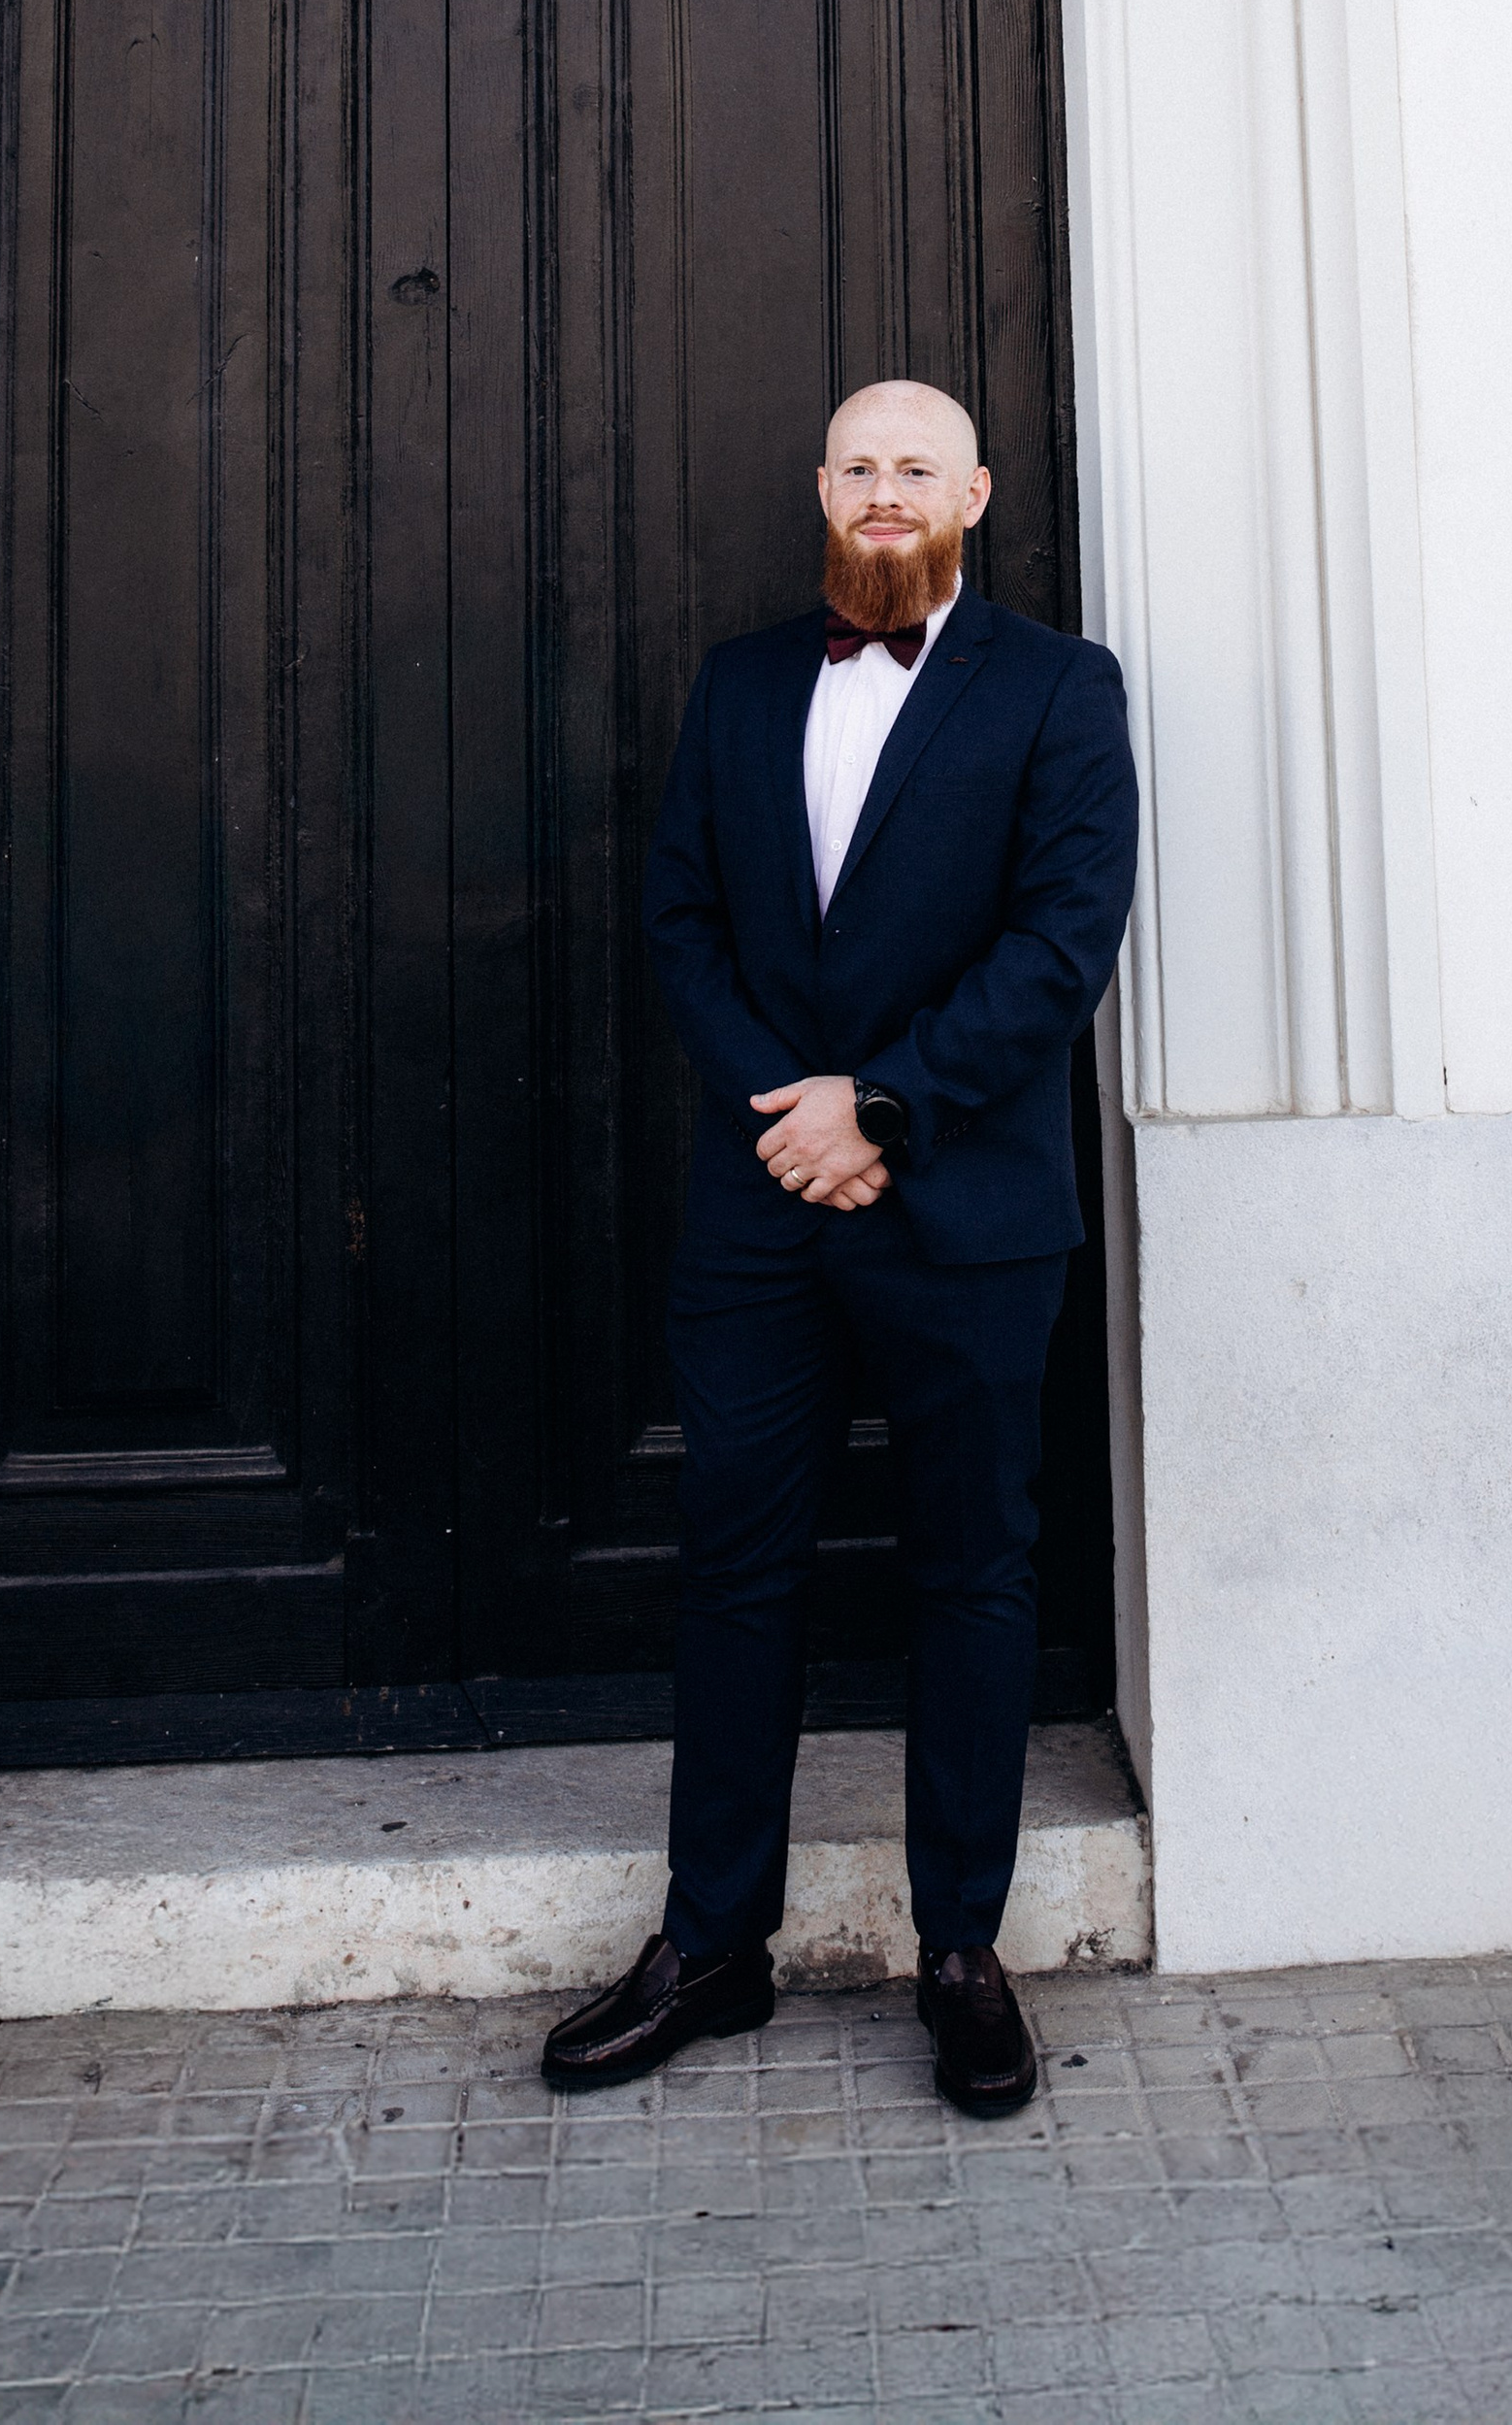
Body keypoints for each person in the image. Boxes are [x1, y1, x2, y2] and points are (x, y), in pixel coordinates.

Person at [540, 381, 1138, 2115]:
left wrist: (878, 1108)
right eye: (861, 466)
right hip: (759, 1210)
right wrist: (788, 1115)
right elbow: (681, 919)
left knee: (973, 1568)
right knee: (737, 1566)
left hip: (966, 1210)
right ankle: (713, 1942)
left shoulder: (1056, 689)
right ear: (822, 487)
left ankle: (963, 1947)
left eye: (919, 468)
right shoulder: (736, 685)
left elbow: (1059, 942)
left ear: (978, 491)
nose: (888, 493)